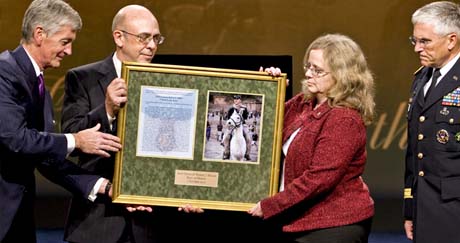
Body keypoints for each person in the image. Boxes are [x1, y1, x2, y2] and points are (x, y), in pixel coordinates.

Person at [61, 5, 202, 243]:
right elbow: (71, 138)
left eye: (156, 38)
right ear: (119, 37)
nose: (152, 45)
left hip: (154, 223)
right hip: (99, 222)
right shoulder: (83, 77)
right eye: (144, 37)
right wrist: (106, 109)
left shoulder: (171, 82)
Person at [0, 0, 124, 242]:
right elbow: (15, 138)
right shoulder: (4, 73)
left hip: (18, 217)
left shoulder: (40, 87)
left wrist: (102, 186)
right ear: (39, 34)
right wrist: (76, 140)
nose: (68, 51)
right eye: (65, 42)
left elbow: (46, 157)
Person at [248, 33, 375, 243]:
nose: (308, 74)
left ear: (342, 75)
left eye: (317, 70)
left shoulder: (344, 119)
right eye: (308, 66)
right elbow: (261, 130)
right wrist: (267, 89)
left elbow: (318, 180)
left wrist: (270, 205)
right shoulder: (303, 103)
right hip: (293, 217)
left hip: (332, 224)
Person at [404, 2, 460, 242]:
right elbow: (414, 153)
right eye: (414, 41)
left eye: (424, 41)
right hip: (423, 207)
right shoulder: (422, 79)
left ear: (451, 40)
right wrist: (409, 209)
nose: (417, 48)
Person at [221, 94, 252, 160]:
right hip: (232, 126)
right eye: (235, 99)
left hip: (242, 125)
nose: (236, 101)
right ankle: (226, 153)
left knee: (248, 138)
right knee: (226, 137)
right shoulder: (231, 109)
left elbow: (246, 117)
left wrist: (244, 110)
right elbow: (229, 119)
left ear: (240, 100)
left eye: (237, 99)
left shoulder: (244, 108)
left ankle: (247, 154)